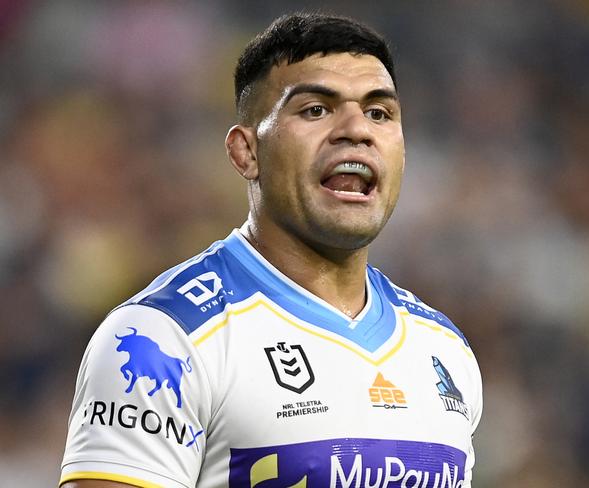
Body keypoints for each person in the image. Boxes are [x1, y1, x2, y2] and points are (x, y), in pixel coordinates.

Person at [59, 12, 482, 488]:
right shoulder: (168, 335)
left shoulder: (443, 349)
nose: (356, 130)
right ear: (246, 152)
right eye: (315, 110)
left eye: (379, 113)